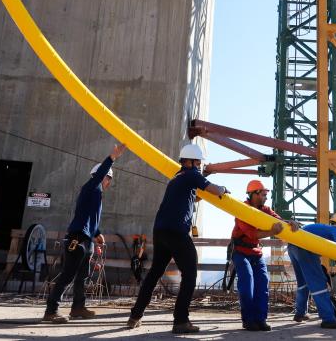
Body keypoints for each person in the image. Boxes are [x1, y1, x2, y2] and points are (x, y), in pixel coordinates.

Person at [127, 143, 229, 334]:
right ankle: (181, 320)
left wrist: (205, 188)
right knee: (190, 274)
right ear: (190, 161)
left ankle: (135, 316)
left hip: (160, 231)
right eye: (197, 162)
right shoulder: (192, 175)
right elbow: (214, 190)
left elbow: (193, 197)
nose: (199, 165)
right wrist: (222, 189)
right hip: (176, 232)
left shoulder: (177, 177)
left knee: (154, 273)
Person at [42, 143, 126, 323]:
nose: (109, 182)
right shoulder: (91, 187)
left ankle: (78, 308)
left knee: (82, 275)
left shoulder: (96, 195)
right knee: (68, 274)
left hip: (87, 239)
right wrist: (112, 158)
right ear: (103, 177)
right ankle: (51, 310)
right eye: (108, 178)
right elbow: (100, 175)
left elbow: (90, 218)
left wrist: (97, 233)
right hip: (77, 238)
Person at [230, 180, 300, 331]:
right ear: (254, 194)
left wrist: (290, 222)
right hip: (241, 252)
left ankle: (260, 319)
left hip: (256, 252)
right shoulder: (242, 210)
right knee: (247, 282)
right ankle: (248, 320)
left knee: (262, 283)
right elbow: (252, 233)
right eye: (263, 194)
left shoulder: (265, 209)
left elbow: (278, 220)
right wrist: (271, 233)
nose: (266, 197)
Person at [287, 213, 336, 329]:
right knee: (319, 284)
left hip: (292, 246)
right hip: (304, 247)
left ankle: (299, 314)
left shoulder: (323, 228)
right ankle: (328, 319)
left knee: (303, 283)